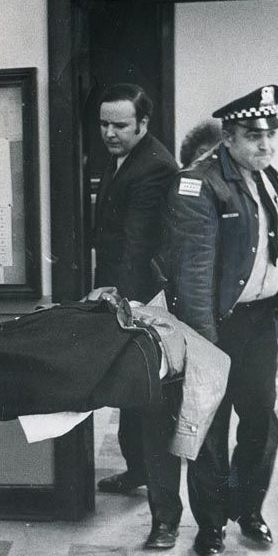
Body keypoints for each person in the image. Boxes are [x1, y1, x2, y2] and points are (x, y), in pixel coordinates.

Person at [162, 84, 278, 556]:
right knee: (210, 428)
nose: (266, 145)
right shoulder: (199, 183)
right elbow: (193, 273)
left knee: (260, 420)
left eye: (270, 134)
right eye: (254, 136)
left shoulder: (268, 178)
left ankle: (248, 509)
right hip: (215, 325)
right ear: (229, 138)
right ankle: (210, 525)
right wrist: (204, 341)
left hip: (258, 322)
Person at [92, 84, 178, 528]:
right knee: (132, 390)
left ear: (143, 124)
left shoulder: (154, 166)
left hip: (144, 298)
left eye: (120, 125)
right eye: (104, 124)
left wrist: (118, 301)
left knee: (151, 401)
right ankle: (136, 470)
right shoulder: (124, 157)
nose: (109, 133)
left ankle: (163, 510)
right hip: (126, 292)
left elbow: (137, 244)